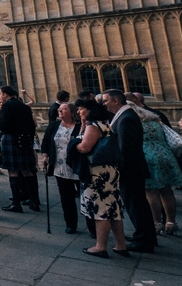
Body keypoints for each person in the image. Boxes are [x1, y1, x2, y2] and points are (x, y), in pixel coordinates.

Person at [70, 98, 127, 258]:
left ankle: (100, 246)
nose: (79, 111)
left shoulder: (93, 126)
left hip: (98, 172)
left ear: (89, 110)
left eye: (81, 109)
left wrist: (74, 144)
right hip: (109, 170)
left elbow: (84, 147)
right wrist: (82, 124)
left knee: (99, 209)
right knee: (113, 209)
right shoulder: (103, 124)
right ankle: (121, 245)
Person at [103, 89, 157, 253]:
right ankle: (144, 236)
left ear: (116, 101)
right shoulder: (124, 115)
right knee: (136, 203)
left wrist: (117, 167)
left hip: (129, 169)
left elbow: (124, 148)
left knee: (135, 204)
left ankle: (144, 241)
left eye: (106, 101)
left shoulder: (126, 118)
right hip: (131, 168)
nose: (104, 104)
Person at [131, 99, 182, 236]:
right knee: (166, 191)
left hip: (147, 156)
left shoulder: (134, 122)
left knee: (151, 192)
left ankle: (156, 223)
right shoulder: (155, 121)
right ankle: (171, 222)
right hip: (165, 155)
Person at [0, 86, 40, 213]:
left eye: (0, 94)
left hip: (11, 140)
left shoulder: (7, 106)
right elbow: (32, 126)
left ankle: (16, 203)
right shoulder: (24, 106)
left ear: (5, 94)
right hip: (25, 140)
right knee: (28, 171)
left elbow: (4, 124)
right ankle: (34, 201)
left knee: (13, 172)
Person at [41, 101, 82, 234]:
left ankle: (92, 226)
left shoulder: (80, 126)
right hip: (59, 166)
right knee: (66, 197)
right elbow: (46, 141)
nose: (60, 111)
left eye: (63, 109)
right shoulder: (54, 125)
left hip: (76, 166)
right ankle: (71, 224)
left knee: (85, 196)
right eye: (59, 109)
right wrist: (45, 156)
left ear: (72, 112)